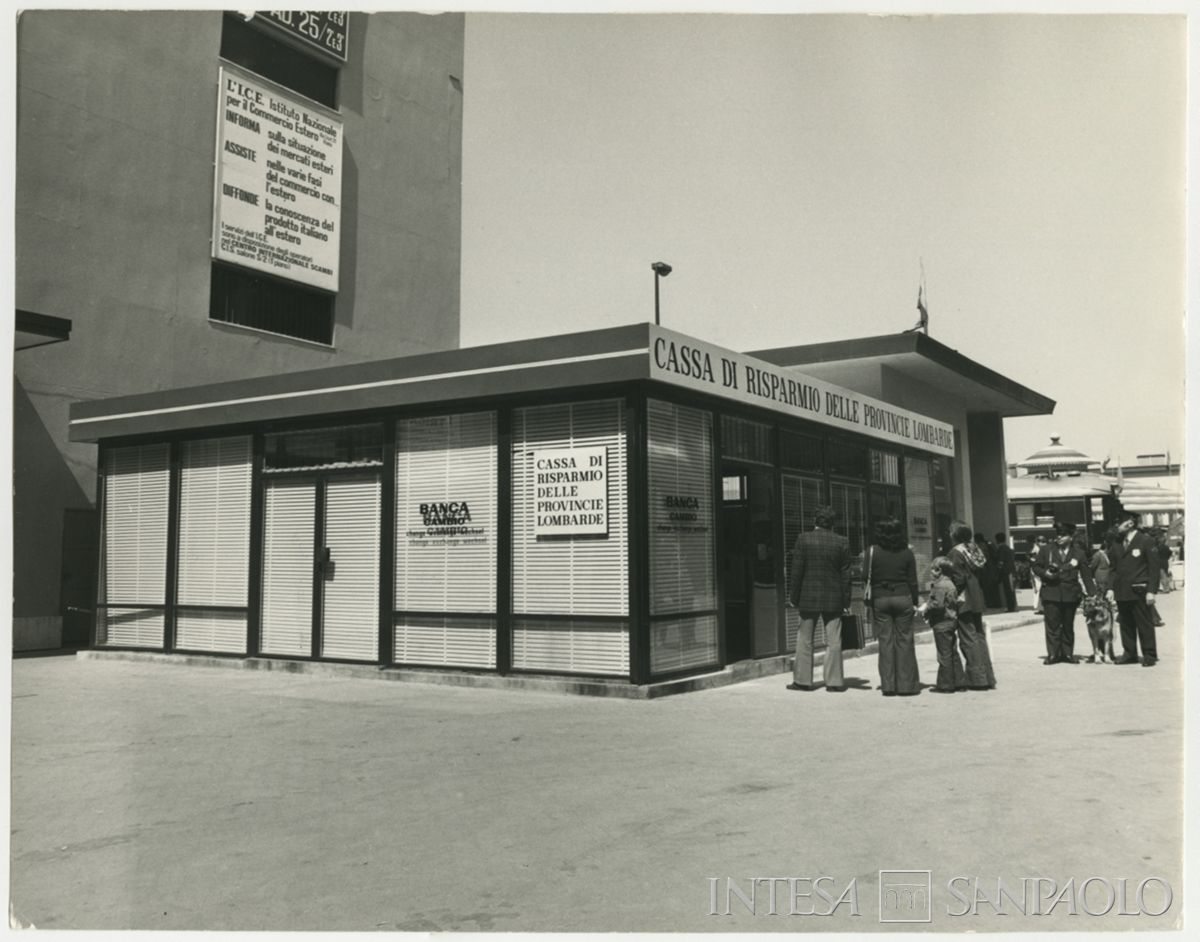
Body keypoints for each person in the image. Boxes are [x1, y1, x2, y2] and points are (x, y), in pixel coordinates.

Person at [786, 505, 852, 692]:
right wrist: (846, 601)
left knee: (804, 639)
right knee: (834, 640)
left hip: (808, 596)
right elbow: (845, 575)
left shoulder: (803, 539)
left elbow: (796, 571)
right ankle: (834, 681)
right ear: (833, 523)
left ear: (815, 521)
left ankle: (803, 681)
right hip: (834, 598)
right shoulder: (842, 542)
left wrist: (794, 596)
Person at [866, 517, 921, 696]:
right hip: (903, 596)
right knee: (905, 640)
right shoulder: (907, 553)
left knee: (885, 642)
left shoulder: (872, 551)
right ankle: (906, 685)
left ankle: (888, 685)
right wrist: (914, 601)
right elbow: (913, 581)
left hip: (880, 598)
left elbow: (864, 576)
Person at [1031, 521, 1097, 664]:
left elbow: (1086, 575)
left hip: (1070, 593)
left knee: (1068, 625)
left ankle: (1067, 653)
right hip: (1051, 592)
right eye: (1058, 535)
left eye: (1063, 535)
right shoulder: (1046, 550)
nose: (1059, 538)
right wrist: (1045, 573)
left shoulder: (1078, 553)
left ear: (1071, 537)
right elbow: (1035, 567)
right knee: (1052, 625)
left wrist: (1093, 593)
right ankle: (1053, 654)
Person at [946, 521, 997, 689]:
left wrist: (950, 596)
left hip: (964, 598)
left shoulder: (955, 552)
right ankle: (987, 676)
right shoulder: (975, 550)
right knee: (979, 636)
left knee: (968, 638)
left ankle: (977, 678)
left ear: (954, 535)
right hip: (977, 596)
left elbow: (958, 579)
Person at [1107, 513, 1162, 666]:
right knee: (1125, 623)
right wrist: (1110, 588)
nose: (1116, 526)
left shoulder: (1146, 540)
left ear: (1130, 524)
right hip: (1121, 590)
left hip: (1140, 590)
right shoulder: (1117, 542)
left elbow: (1154, 568)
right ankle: (1129, 653)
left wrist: (1152, 590)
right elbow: (1113, 568)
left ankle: (1149, 654)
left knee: (1144, 624)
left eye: (1118, 522)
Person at [920, 556, 966, 693]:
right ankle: (959, 682)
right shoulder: (950, 584)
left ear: (939, 571)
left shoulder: (940, 585)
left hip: (941, 622)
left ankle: (946, 685)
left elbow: (937, 605)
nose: (931, 573)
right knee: (953, 652)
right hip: (951, 621)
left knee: (944, 654)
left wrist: (925, 609)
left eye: (933, 570)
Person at [975, 531, 1003, 609]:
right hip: (992, 568)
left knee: (986, 588)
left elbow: (982, 558)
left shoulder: (980, 546)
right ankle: (997, 603)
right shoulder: (989, 544)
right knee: (994, 587)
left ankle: (989, 604)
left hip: (986, 569)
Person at [993, 532, 1018, 612]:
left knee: (1008, 590)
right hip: (1011, 571)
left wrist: (997, 573)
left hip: (1006, 572)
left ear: (997, 540)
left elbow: (1000, 562)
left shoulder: (1001, 548)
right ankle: (1012, 606)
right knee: (1010, 589)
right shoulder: (1007, 548)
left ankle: (1011, 608)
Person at [1031, 534, 1048, 614]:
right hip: (1043, 572)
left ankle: (1042, 608)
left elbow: (1034, 560)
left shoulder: (1039, 550)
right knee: (1040, 589)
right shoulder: (1047, 548)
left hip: (1040, 572)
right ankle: (1042, 607)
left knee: (1039, 589)